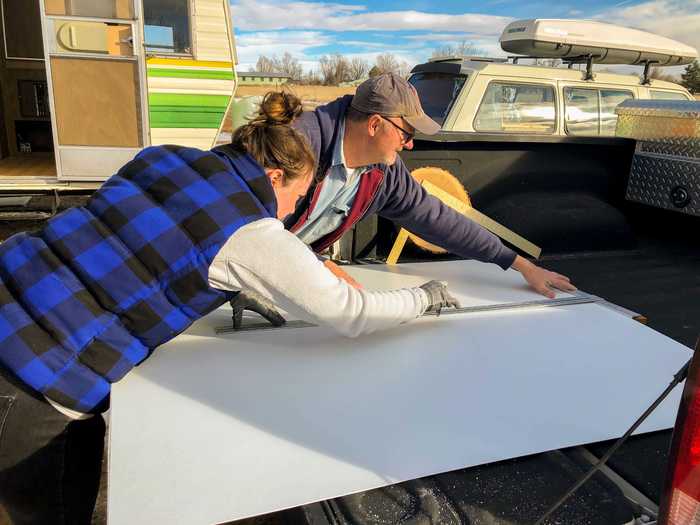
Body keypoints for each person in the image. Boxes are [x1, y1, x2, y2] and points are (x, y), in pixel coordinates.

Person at [0, 92, 459, 525]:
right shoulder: (252, 231)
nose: (289, 213)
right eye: (297, 199)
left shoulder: (163, 156)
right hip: (37, 380)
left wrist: (231, 283)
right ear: (274, 176)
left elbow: (138, 238)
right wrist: (424, 297)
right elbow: (349, 312)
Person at [286, 73, 576, 298]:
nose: (410, 145)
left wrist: (520, 264)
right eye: (406, 133)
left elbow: (438, 219)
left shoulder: (383, 173)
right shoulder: (298, 144)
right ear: (374, 125)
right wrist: (320, 267)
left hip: (288, 269)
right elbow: (249, 222)